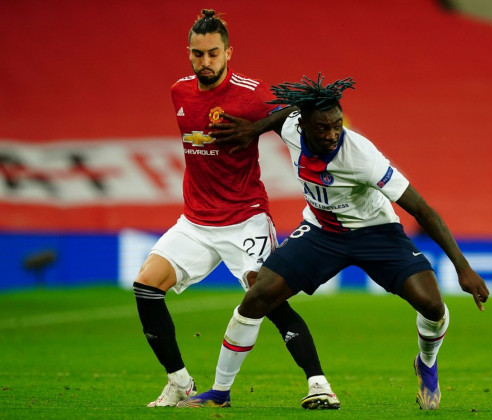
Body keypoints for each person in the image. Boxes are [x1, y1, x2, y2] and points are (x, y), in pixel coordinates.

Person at [179, 74, 490, 410]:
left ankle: (426, 363)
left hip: (377, 233)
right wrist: (255, 129)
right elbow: (286, 114)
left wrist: (464, 268)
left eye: (337, 126)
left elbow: (423, 211)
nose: (332, 135)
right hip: (322, 232)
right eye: (323, 128)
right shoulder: (293, 127)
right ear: (305, 127)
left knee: (431, 304)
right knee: (257, 297)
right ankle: (220, 392)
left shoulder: (363, 157)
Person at [132, 10, 339, 409]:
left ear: (229, 52)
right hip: (195, 220)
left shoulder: (251, 93)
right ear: (189, 54)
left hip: (244, 216)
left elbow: (294, 115)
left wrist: (254, 129)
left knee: (268, 298)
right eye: (197, 54)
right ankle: (179, 383)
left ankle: (319, 385)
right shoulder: (179, 91)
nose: (204, 62)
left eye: (212, 53)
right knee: (145, 287)